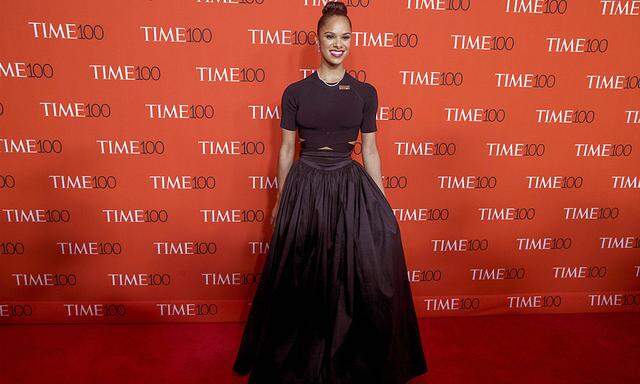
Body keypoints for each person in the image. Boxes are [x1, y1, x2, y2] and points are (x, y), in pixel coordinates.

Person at [232, 2, 428, 382]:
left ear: (351, 41)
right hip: (305, 185)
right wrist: (278, 202)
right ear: (318, 39)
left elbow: (370, 150)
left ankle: (349, 351)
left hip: (348, 185)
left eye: (345, 37)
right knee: (302, 273)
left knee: (354, 274)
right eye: (330, 36)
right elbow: (287, 150)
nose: (338, 44)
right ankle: (303, 352)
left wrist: (384, 203)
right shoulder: (295, 92)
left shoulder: (365, 93)